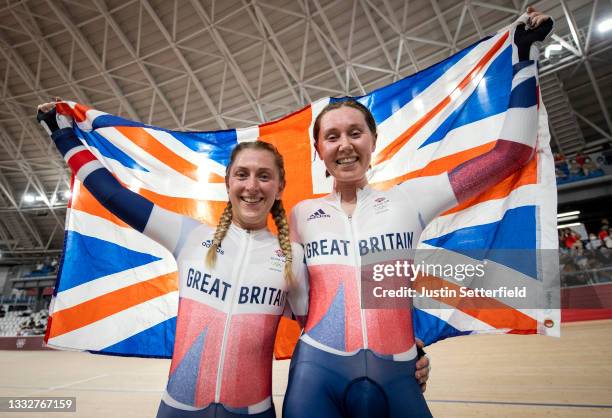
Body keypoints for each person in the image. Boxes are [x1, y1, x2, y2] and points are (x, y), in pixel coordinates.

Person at [283, 8, 553, 418]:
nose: (345, 144)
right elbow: (294, 297)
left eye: (355, 133)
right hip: (316, 370)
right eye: (332, 137)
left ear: (373, 141)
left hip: (398, 370)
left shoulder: (411, 199)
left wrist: (524, 58)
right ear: (319, 152)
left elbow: (510, 154)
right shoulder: (301, 214)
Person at [37, 102, 310, 418]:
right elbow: (112, 195)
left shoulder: (294, 257)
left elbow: (314, 339)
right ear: (228, 183)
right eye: (242, 175)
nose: (251, 186)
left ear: (279, 188)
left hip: (253, 412)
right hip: (177, 410)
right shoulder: (190, 235)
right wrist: (61, 134)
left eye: (264, 176)